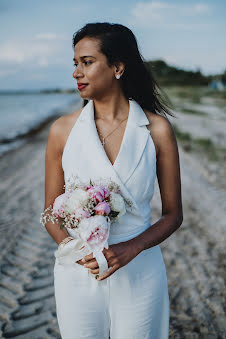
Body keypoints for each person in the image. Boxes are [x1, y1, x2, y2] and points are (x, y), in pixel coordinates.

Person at [42, 22, 183, 339]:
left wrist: (131, 249)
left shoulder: (156, 130)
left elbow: (174, 215)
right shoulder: (62, 131)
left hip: (139, 268)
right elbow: (51, 211)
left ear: (118, 67)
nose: (77, 73)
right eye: (75, 63)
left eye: (87, 62)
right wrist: (71, 248)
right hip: (78, 272)